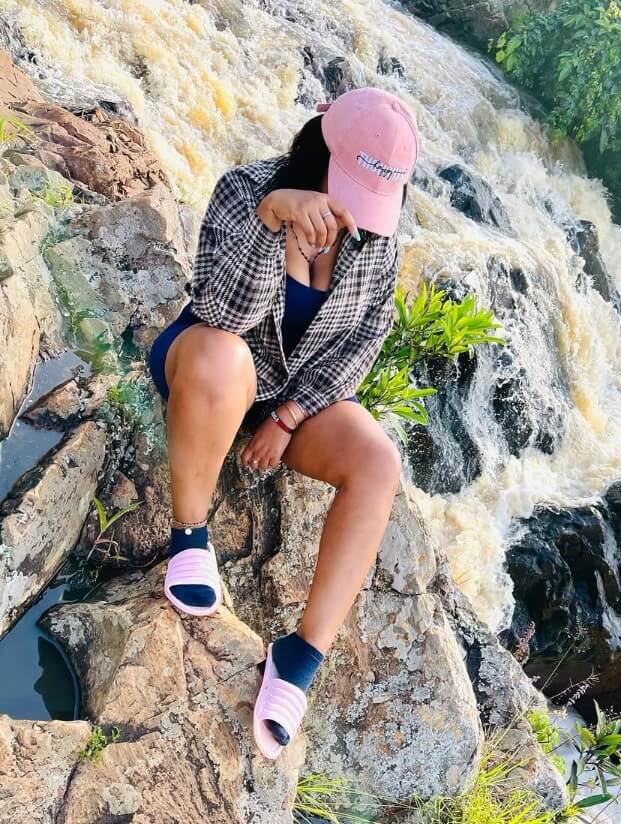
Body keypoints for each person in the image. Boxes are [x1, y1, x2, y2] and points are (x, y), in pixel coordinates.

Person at [146, 87, 420, 758]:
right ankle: (189, 537)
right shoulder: (247, 190)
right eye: (350, 182)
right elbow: (218, 311)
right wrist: (271, 221)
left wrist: (291, 418)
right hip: (211, 363)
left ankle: (299, 658)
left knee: (378, 463)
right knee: (221, 356)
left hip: (291, 399)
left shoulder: (377, 243)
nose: (359, 208)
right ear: (320, 147)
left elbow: (363, 345)